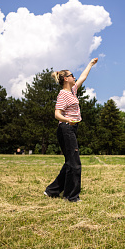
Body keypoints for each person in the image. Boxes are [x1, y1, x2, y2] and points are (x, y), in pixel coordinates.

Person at [44, 58, 98, 202]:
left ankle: (52, 191)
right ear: (66, 79)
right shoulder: (63, 94)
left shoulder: (73, 91)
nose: (74, 77)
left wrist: (90, 64)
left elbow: (83, 77)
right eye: (72, 75)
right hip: (66, 128)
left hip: (71, 129)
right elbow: (57, 113)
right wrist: (69, 120)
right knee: (75, 164)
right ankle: (71, 197)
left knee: (70, 162)